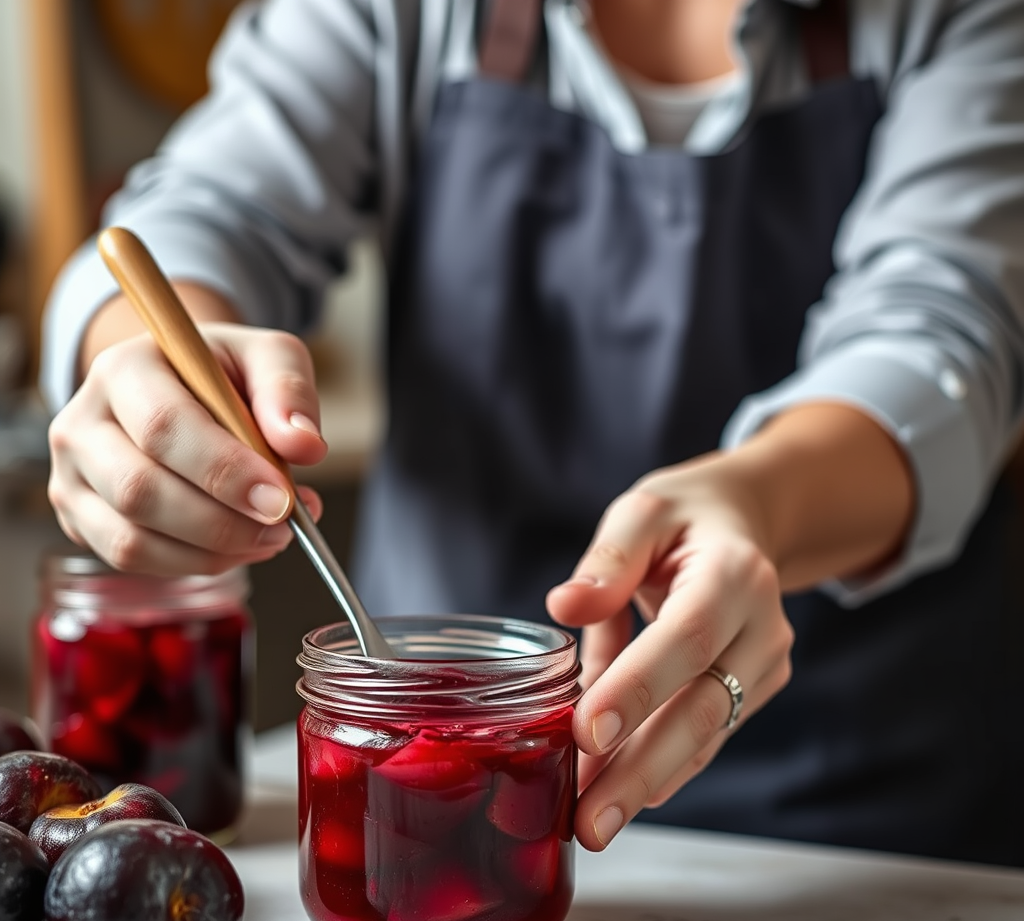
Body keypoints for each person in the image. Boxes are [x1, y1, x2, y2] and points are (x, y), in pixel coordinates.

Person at [41, 0, 1024, 866]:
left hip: (875, 822)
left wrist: (753, 504)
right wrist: (145, 369)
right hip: (430, 802)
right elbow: (206, 211)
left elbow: (945, 333)